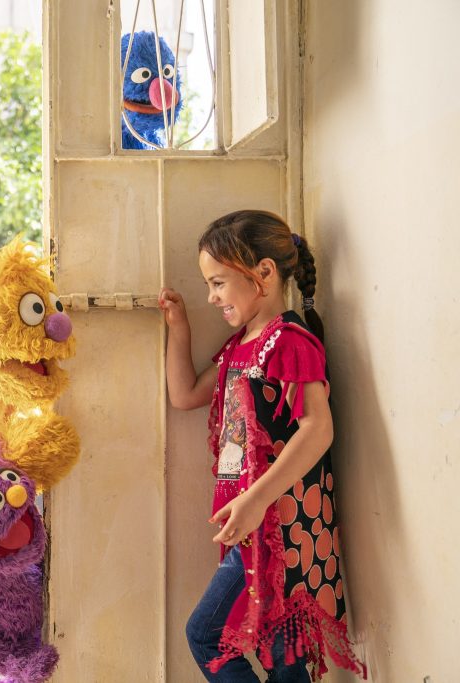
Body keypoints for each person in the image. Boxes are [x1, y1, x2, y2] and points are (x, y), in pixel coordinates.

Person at [158, 210, 366, 681]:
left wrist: (254, 500)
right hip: (251, 524)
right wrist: (179, 327)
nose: (212, 297)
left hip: (279, 526)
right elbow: (185, 394)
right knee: (282, 662)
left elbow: (319, 428)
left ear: (265, 273)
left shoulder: (289, 342)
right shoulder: (240, 346)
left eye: (218, 283)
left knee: (207, 636)